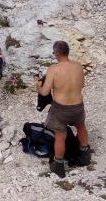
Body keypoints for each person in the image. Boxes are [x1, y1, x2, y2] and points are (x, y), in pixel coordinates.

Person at [36, 40, 92, 177]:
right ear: (68, 51)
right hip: (78, 105)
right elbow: (82, 85)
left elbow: (44, 92)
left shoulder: (53, 69)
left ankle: (58, 164)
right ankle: (85, 155)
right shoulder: (78, 66)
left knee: (60, 135)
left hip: (61, 109)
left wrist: (38, 85)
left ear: (56, 53)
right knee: (81, 126)